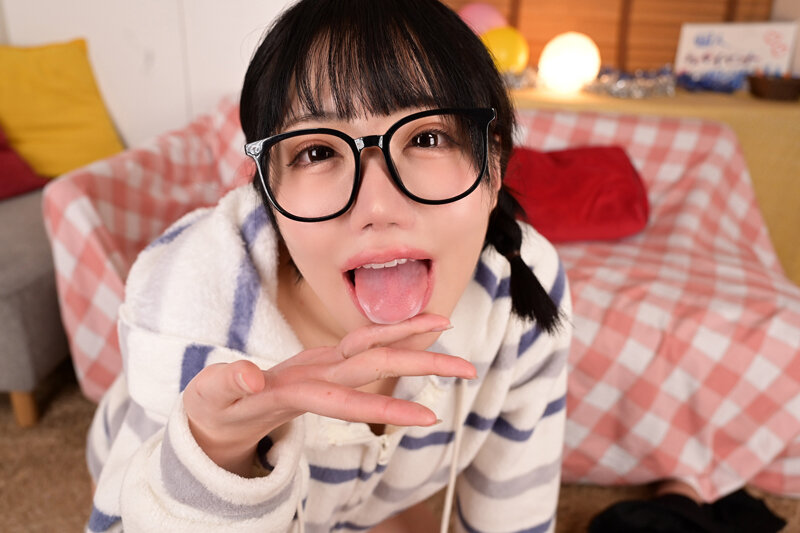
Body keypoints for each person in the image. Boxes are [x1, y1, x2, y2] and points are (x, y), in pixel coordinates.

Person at [85, 1, 572, 532]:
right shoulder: (196, 321)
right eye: (317, 152)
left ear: (494, 165)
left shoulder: (521, 288)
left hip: (377, 498)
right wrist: (216, 457)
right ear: (268, 191)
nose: (378, 207)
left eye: (426, 138)